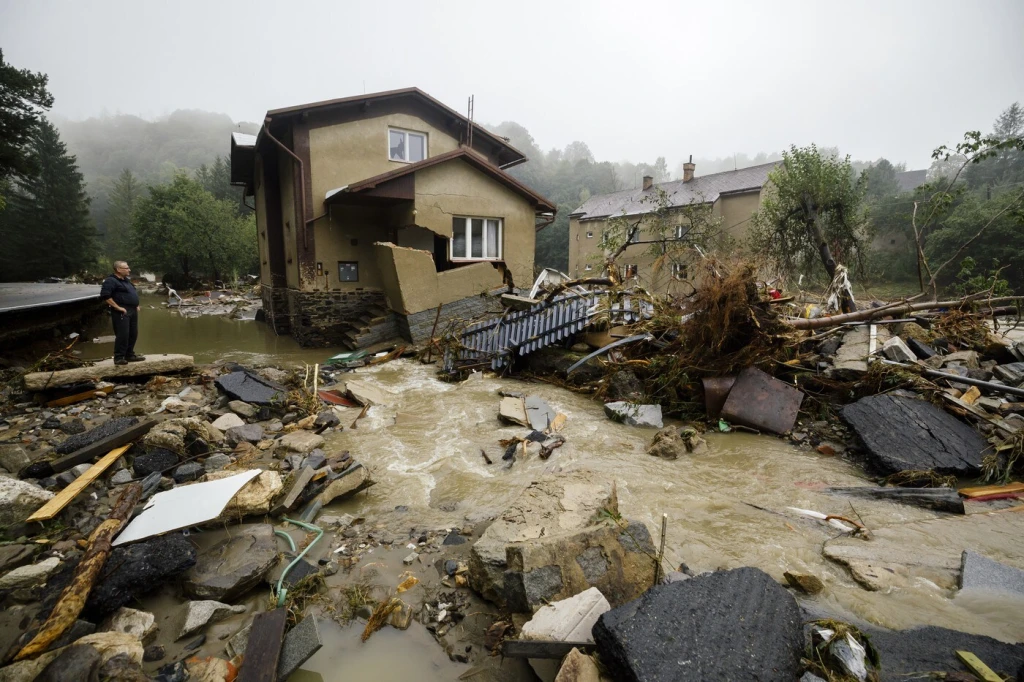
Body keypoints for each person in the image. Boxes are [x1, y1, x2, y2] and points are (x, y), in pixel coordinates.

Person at [99, 260, 145, 365]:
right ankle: (119, 357)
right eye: (126, 268)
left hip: (132, 310)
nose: (129, 270)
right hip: (121, 311)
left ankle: (129, 355)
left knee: (133, 333)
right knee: (123, 334)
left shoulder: (126, 280)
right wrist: (117, 307)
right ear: (118, 270)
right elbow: (105, 295)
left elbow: (131, 293)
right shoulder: (111, 281)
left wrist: (135, 304)